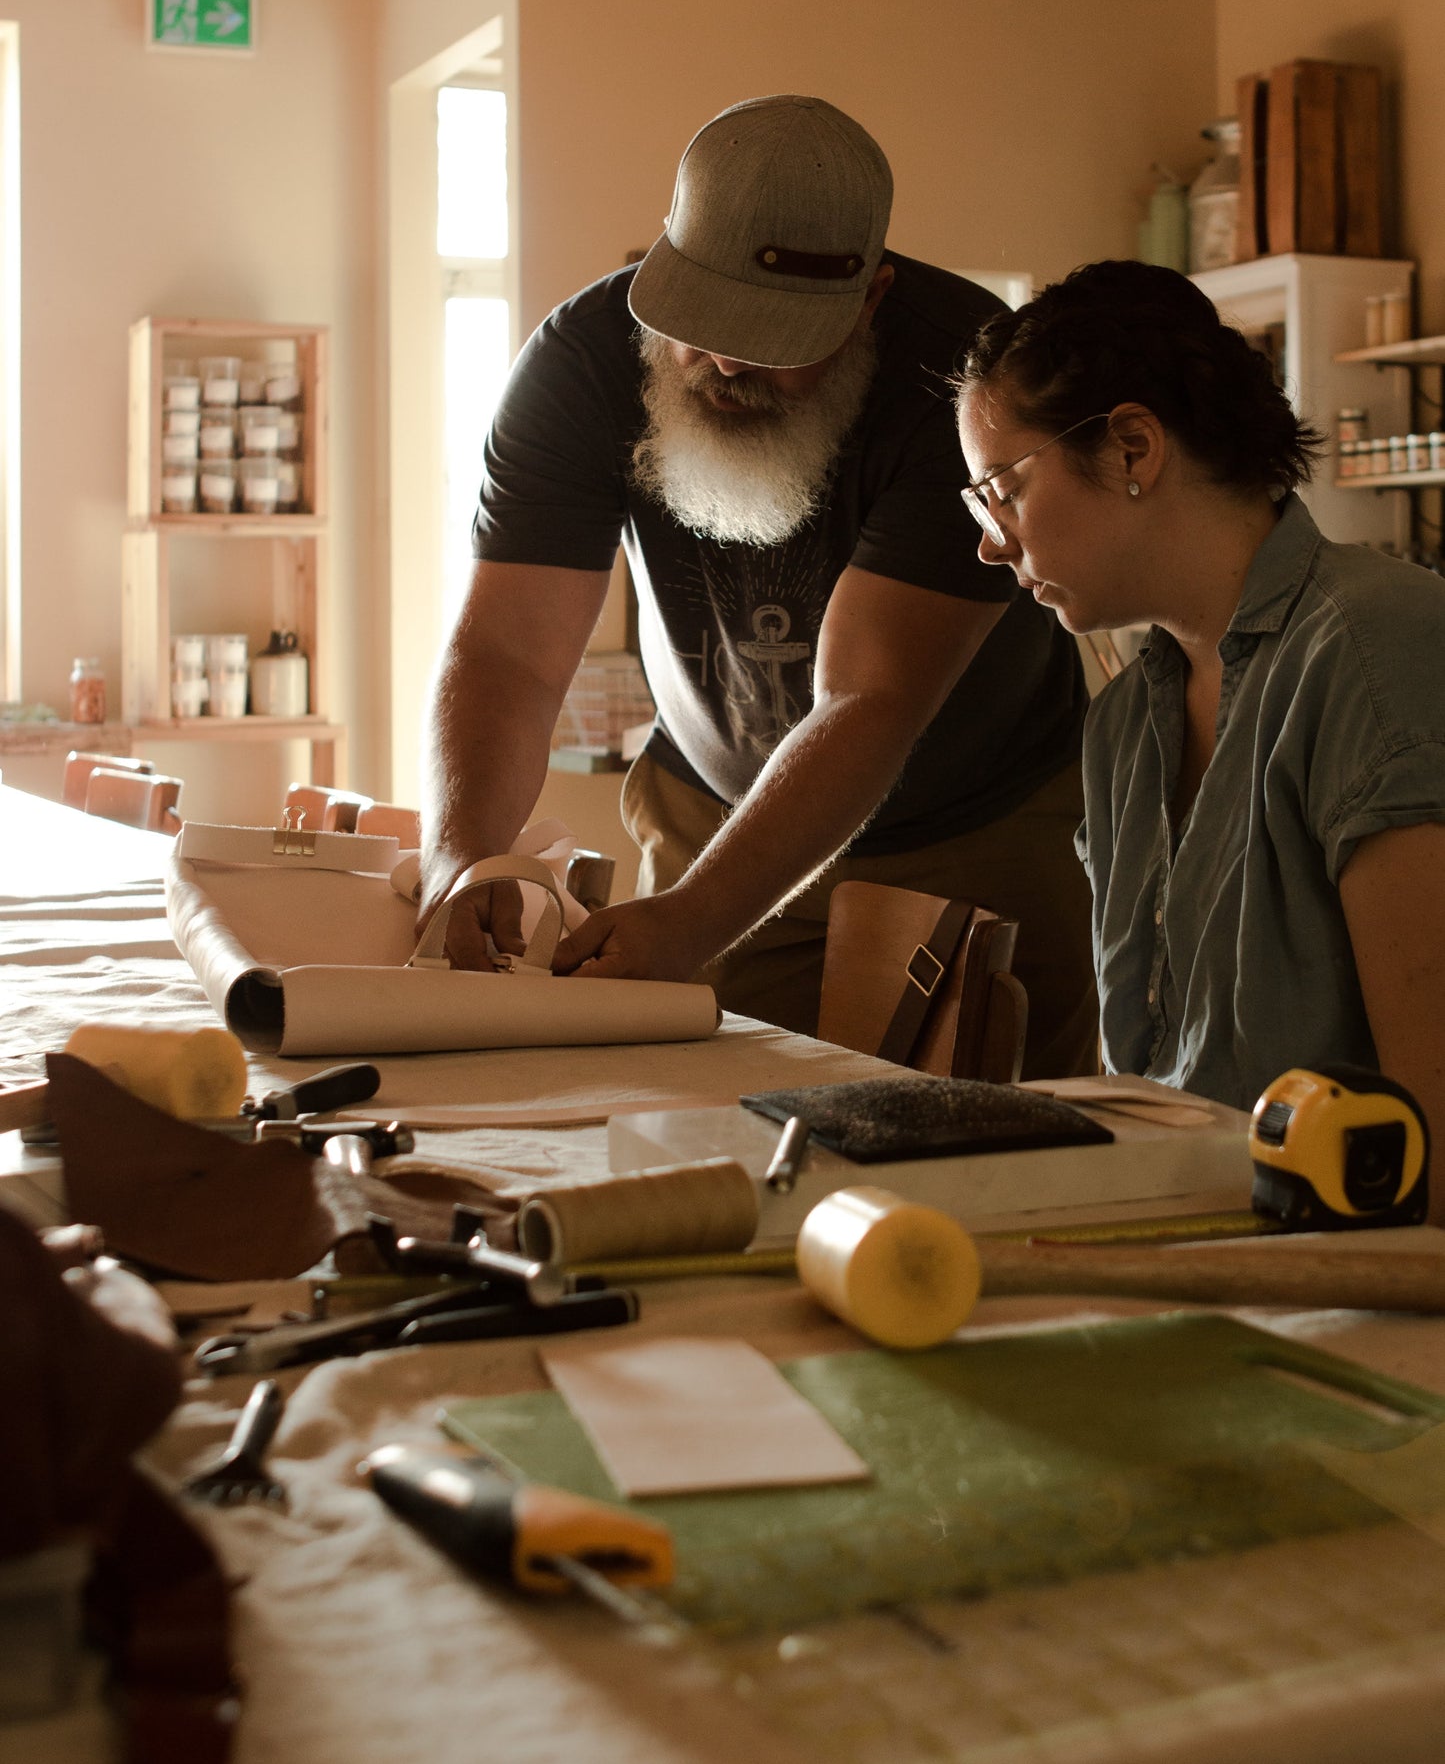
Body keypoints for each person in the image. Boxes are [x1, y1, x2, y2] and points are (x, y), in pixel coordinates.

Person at [422, 94, 1096, 1076]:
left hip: (975, 823)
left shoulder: (968, 380)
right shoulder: (579, 363)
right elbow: (506, 654)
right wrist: (462, 856)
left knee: (984, 1154)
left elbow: (870, 699)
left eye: (776, 339)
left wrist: (696, 916)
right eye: (702, 322)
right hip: (711, 810)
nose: (727, 359)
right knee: (699, 1127)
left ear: (871, 298)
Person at [955, 258, 1445, 1161]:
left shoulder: (1377, 650)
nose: (991, 545)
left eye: (1004, 491)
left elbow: (1433, 1131)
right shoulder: (1123, 723)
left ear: (1132, 447)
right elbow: (1144, 1091)